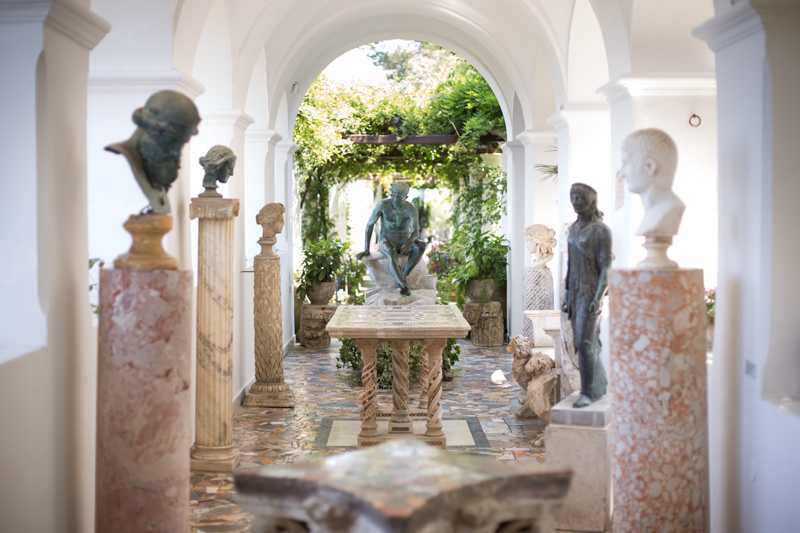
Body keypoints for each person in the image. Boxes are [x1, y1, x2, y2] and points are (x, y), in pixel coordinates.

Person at [106, 90, 201, 215]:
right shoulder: (117, 162)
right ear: (150, 128)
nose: (174, 153)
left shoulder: (156, 170)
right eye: (170, 141)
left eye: (181, 144)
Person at [562, 183, 612, 408]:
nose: (575, 201)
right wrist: (565, 293)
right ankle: (596, 385)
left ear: (591, 201)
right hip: (574, 292)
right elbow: (570, 264)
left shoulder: (601, 230)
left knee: (585, 342)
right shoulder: (573, 229)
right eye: (573, 197)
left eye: (580, 198)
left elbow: (606, 267)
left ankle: (588, 392)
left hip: (590, 293)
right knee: (581, 342)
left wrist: (598, 297)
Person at [356, 181, 426, 296]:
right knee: (390, 251)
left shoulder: (411, 209)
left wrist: (408, 242)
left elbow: (415, 232)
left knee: (421, 246)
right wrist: (366, 249)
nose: (395, 200)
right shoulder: (383, 205)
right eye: (393, 196)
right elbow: (370, 224)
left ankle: (403, 274)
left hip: (403, 240)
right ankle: (403, 285)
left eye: (399, 197)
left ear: (406, 197)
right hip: (386, 239)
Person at [618, 128, 684, 238]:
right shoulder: (653, 213)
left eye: (626, 162)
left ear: (650, 166)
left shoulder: (670, 210)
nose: (622, 173)